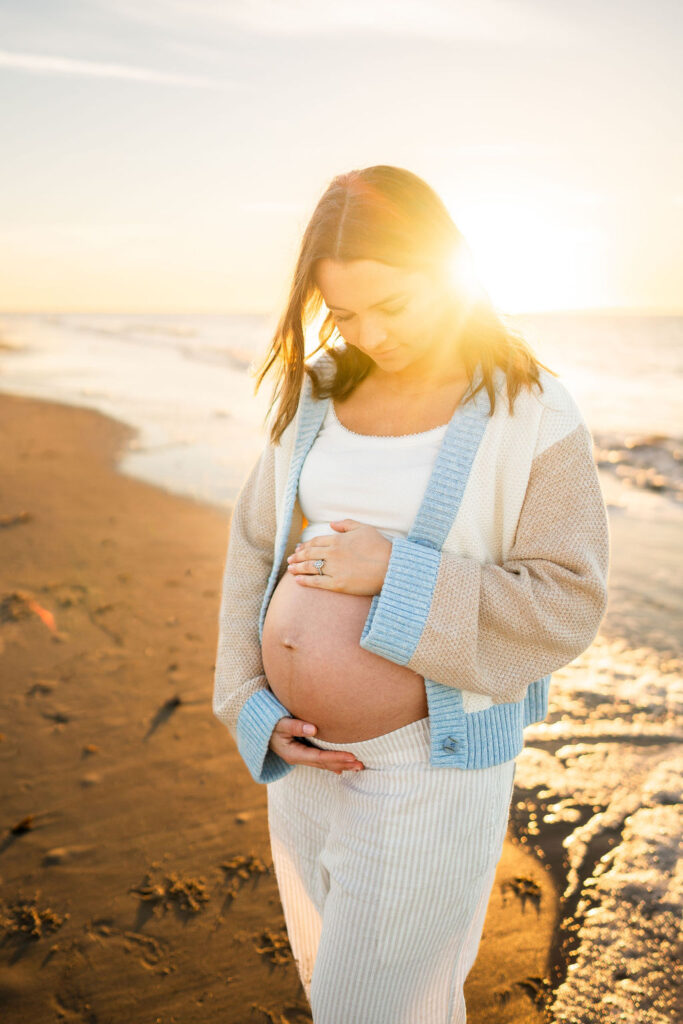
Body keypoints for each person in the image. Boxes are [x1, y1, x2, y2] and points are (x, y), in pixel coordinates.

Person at [212, 164, 610, 1022]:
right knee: (333, 990)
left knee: (374, 1010)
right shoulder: (315, 391)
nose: (369, 335)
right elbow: (255, 546)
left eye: (392, 306)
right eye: (344, 314)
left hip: (430, 762)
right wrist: (247, 698)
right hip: (303, 757)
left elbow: (568, 600)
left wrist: (396, 571)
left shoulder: (530, 409)